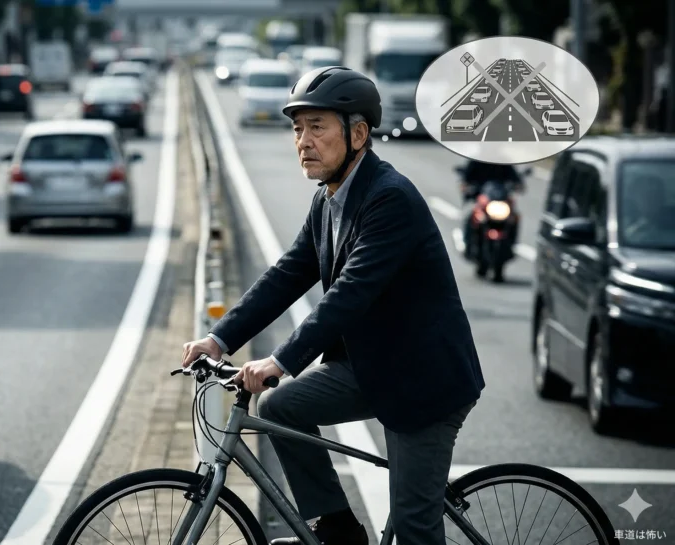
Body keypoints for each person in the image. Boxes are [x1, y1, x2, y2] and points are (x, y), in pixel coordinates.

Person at [181, 66, 485, 545]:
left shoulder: (390, 199)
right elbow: (286, 275)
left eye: (317, 126)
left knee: (413, 530)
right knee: (279, 407)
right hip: (372, 367)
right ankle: (339, 530)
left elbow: (349, 294)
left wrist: (280, 360)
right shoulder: (328, 200)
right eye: (298, 128)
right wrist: (219, 339)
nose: (303, 140)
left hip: (423, 381)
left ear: (358, 133)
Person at [459, 159, 522, 258]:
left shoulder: (504, 161)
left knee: (514, 218)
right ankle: (467, 245)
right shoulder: (477, 160)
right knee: (469, 216)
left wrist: (518, 185)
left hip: (500, 199)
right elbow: (466, 178)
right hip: (481, 199)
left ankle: (512, 244)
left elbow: (515, 179)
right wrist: (466, 187)